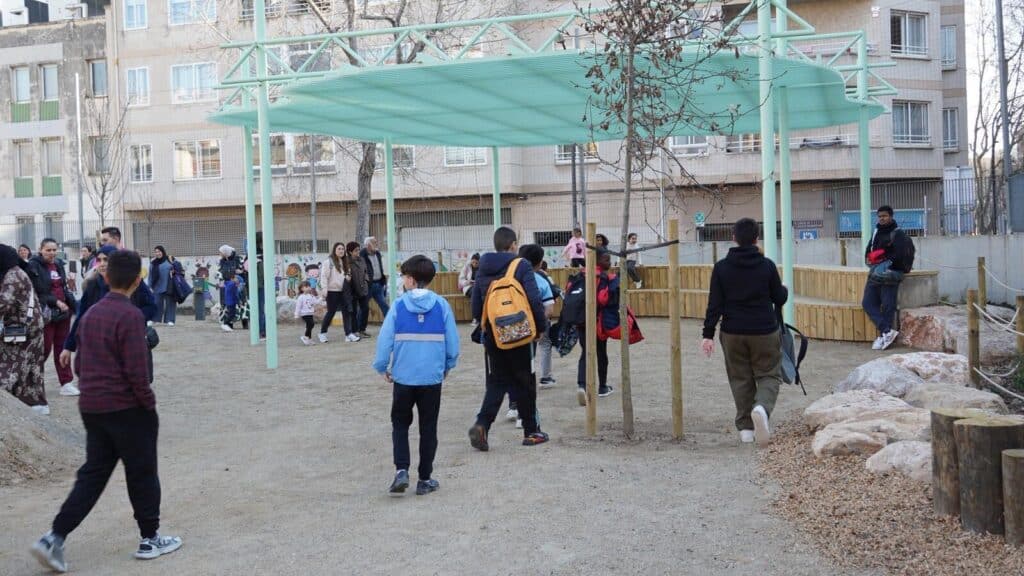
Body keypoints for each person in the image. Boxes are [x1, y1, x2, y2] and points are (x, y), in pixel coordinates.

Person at [31, 250, 182, 573]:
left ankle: (54, 536)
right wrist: (148, 404)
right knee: (142, 471)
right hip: (128, 408)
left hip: (93, 405)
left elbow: (82, 364)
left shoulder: (91, 314)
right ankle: (149, 537)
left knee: (93, 474)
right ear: (138, 281)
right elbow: (137, 371)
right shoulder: (131, 317)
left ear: (106, 277)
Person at [374, 255, 459, 497]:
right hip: (431, 378)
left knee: (400, 424)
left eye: (403, 277)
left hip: (403, 378)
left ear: (410, 279)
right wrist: (448, 365)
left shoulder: (398, 306)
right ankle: (425, 478)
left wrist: (382, 367)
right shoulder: (442, 305)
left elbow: (384, 341)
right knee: (428, 427)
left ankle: (401, 470)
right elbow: (452, 343)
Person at [700, 218, 788, 446]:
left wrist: (707, 334)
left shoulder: (721, 267)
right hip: (764, 331)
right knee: (769, 374)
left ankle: (746, 430)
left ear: (734, 238)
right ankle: (761, 408)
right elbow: (779, 298)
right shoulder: (767, 265)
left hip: (732, 332)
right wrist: (784, 290)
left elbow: (714, 303)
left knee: (740, 378)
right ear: (756, 239)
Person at [468, 226, 550, 450]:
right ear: (513, 245)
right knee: (525, 380)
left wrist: (485, 323)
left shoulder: (483, 266)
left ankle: (482, 424)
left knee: (497, 380)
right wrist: (541, 327)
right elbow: (533, 298)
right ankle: (531, 431)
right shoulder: (520, 265)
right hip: (520, 332)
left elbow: (476, 304)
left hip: (494, 333)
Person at [0, 244, 47, 413]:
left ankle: (12, 409)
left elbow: (2, 303)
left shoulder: (13, 276)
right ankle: (36, 404)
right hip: (27, 327)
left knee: (10, 366)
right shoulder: (12, 272)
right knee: (31, 367)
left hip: (23, 330)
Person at [28, 238, 78, 397]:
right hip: (47, 314)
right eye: (48, 250)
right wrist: (55, 302)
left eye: (54, 250)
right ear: (40, 249)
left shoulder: (58, 265)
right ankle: (31, 381)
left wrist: (71, 301)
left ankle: (66, 382)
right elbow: (38, 292)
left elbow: (62, 287)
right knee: (45, 348)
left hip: (63, 313)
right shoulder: (33, 266)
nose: (52, 253)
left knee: (63, 348)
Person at [60, 246, 116, 379]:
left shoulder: (128, 283)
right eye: (99, 260)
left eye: (106, 260)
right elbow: (81, 317)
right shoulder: (92, 285)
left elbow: (149, 306)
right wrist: (68, 347)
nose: (102, 264)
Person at [862, 205, 913, 351]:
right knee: (867, 303)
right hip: (875, 272)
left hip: (890, 274)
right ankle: (887, 331)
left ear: (891, 216)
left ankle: (884, 335)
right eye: (879, 216)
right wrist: (872, 257)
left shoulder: (898, 234)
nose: (882, 219)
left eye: (884, 216)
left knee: (888, 305)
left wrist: (883, 257)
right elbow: (869, 250)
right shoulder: (876, 231)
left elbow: (899, 255)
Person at [573, 251, 616, 406]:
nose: (610, 262)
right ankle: (602, 386)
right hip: (598, 322)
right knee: (601, 353)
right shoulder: (603, 277)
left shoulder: (579, 276)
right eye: (606, 260)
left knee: (585, 352)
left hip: (581, 322)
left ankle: (582, 385)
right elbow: (603, 300)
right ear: (597, 261)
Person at [520, 245, 557, 391]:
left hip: (510, 327)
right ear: (540, 263)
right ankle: (545, 377)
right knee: (543, 346)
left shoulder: (508, 277)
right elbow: (549, 309)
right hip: (534, 326)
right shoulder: (542, 281)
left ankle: (514, 400)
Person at [320, 242, 359, 343]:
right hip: (332, 291)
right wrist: (324, 290)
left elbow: (348, 274)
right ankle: (323, 333)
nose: (341, 251)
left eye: (342, 249)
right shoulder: (328, 262)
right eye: (339, 249)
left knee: (347, 313)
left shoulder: (345, 262)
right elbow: (324, 276)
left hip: (344, 291)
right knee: (331, 312)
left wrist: (348, 278)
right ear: (334, 250)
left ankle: (348, 334)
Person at [360, 236, 389, 328]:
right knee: (363, 308)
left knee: (384, 305)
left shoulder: (378, 254)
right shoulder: (362, 255)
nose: (377, 244)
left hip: (378, 284)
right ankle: (359, 329)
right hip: (367, 286)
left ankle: (390, 326)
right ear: (368, 245)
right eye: (374, 242)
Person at [347, 241, 371, 339]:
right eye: (355, 251)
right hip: (352, 290)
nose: (358, 252)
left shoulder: (362, 260)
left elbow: (366, 271)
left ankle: (362, 329)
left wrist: (366, 280)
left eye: (358, 250)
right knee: (353, 312)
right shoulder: (346, 262)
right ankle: (354, 330)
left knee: (365, 308)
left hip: (363, 288)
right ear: (349, 252)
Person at [148, 246, 177, 327]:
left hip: (169, 286)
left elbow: (176, 269)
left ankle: (170, 320)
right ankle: (154, 319)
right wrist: (149, 286)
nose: (158, 253)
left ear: (163, 252)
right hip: (157, 286)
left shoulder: (169, 260)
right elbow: (150, 275)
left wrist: (173, 267)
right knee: (156, 303)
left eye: (159, 251)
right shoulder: (153, 262)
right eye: (156, 252)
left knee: (170, 303)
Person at [294, 281, 318, 346]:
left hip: (310, 313)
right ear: (302, 288)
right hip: (304, 314)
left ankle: (309, 339)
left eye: (309, 286)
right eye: (306, 287)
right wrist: (296, 315)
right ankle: (305, 337)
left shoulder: (311, 296)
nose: (308, 288)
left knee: (310, 325)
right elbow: (298, 307)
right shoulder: (301, 297)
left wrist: (321, 299)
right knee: (311, 324)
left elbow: (315, 302)